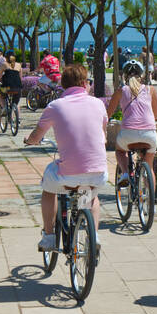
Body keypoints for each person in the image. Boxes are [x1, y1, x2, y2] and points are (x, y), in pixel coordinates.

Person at [25, 63, 108, 252]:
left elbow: (37, 134)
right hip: (98, 172)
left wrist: (30, 141)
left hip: (69, 173)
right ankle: (93, 236)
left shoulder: (55, 106)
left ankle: (49, 236)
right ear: (85, 83)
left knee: (48, 188)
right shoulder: (98, 104)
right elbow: (103, 135)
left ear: (63, 84)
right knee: (91, 197)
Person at [107, 60, 157, 182]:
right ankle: (149, 198)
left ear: (124, 76)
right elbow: (156, 114)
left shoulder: (120, 91)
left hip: (128, 134)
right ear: (142, 75)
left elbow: (107, 115)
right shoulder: (150, 90)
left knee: (120, 151)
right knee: (150, 168)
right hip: (149, 135)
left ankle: (125, 173)